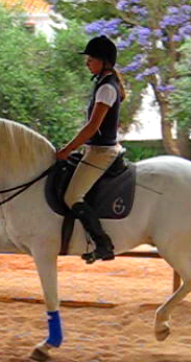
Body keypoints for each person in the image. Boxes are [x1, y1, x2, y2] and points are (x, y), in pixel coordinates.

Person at [56, 35, 126, 264]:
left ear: (104, 61)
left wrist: (67, 149)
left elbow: (92, 127)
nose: (87, 62)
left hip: (101, 152)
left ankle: (103, 244)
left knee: (72, 195)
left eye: (91, 59)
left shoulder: (107, 88)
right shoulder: (102, 83)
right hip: (93, 149)